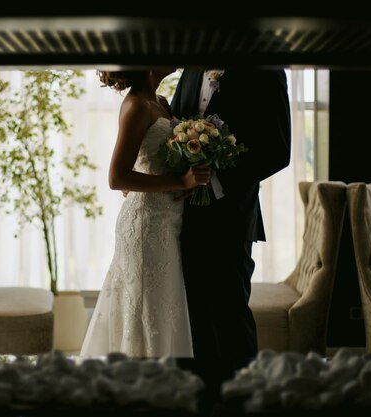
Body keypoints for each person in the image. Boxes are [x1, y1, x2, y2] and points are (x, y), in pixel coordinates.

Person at [170, 68, 291, 390]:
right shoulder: (192, 69)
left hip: (232, 215)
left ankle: (243, 394)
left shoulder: (265, 70)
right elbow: (172, 127)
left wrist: (217, 180)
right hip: (180, 215)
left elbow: (278, 149)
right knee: (190, 311)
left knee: (229, 312)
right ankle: (200, 395)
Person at [80, 69, 210, 358]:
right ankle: (141, 382)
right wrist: (180, 182)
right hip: (146, 226)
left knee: (164, 307)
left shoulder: (161, 101)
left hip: (168, 220)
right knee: (147, 309)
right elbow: (117, 178)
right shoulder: (136, 105)